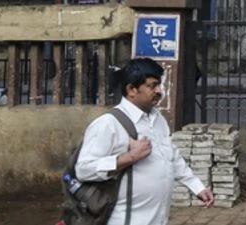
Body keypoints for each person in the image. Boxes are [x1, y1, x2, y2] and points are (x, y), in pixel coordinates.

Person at [75, 58, 214, 224]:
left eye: (159, 85)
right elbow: (83, 169)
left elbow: (172, 157)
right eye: (152, 86)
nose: (159, 91)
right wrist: (129, 158)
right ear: (131, 89)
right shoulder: (109, 124)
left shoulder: (158, 119)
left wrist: (197, 187)